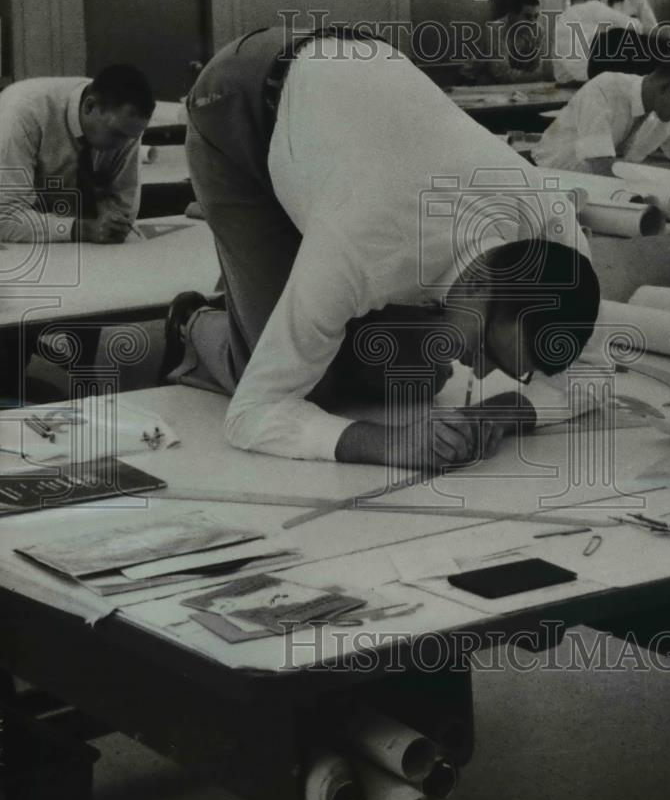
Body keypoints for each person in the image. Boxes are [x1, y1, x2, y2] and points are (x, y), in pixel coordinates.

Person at [165, 26, 601, 469]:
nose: (486, 374)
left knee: (418, 375)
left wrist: (505, 410)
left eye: (512, 369)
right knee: (312, 388)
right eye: (488, 350)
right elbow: (252, 414)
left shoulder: (555, 230)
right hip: (240, 104)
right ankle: (193, 321)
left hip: (347, 108)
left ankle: (278, 303)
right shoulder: (360, 245)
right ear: (481, 283)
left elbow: (595, 377)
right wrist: (386, 443)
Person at [0, 65, 155, 243]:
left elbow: (121, 212)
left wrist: (109, 225)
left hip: (61, 238)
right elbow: (6, 218)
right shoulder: (22, 114)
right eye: (117, 134)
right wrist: (80, 229)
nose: (123, 145)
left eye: (132, 137)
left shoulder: (125, 124)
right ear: (89, 107)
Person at [532, 50, 670, 177]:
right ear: (665, 87)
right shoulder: (603, 91)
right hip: (553, 180)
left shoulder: (665, 111)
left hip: (606, 188)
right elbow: (603, 169)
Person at [553, 0, 642, 86]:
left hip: (564, 82)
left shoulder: (561, 19)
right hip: (591, 80)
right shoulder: (594, 6)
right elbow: (636, 26)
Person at [457, 0, 546, 85]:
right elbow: (502, 74)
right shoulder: (494, 30)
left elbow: (535, 67)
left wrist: (538, 74)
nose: (533, 22)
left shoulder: (537, 30)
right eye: (527, 17)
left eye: (536, 16)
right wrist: (541, 75)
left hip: (507, 83)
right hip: (473, 81)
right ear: (511, 14)